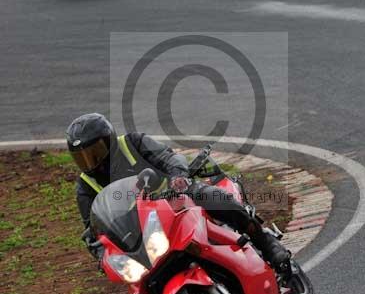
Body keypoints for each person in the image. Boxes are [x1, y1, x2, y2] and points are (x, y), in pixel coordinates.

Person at [66, 113, 290, 270]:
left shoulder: (133, 142)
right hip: (143, 229)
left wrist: (178, 177)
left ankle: (265, 242)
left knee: (209, 196)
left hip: (176, 198)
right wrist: (100, 255)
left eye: (95, 152)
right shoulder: (85, 186)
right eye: (82, 157)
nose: (91, 162)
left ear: (110, 141)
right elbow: (93, 229)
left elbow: (168, 157)